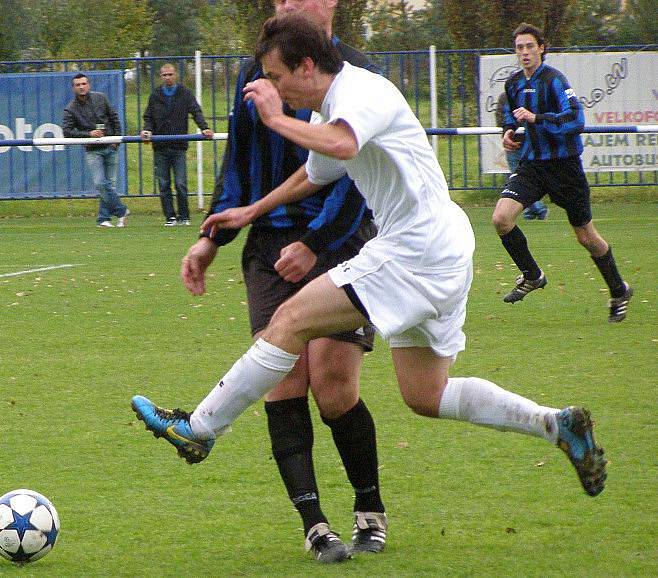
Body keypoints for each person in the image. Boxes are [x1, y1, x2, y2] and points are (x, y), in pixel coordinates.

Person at [130, 12, 607, 552]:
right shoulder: (335, 104)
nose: (274, 91)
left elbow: (340, 145)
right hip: (440, 250)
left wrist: (273, 118)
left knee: (286, 322)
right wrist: (250, 211)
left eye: (277, 79)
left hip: (413, 251)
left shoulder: (363, 91)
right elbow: (316, 171)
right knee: (426, 394)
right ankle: (555, 424)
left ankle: (200, 429)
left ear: (306, 66)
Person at [173, 0, 386, 563]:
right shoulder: (255, 74)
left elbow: (356, 175)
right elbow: (238, 164)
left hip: (342, 243)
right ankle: (316, 525)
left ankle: (370, 508)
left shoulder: (362, 76)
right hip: (268, 246)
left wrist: (315, 241)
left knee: (335, 383)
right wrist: (211, 238)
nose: (290, 4)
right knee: (284, 380)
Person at [494, 23, 632, 321]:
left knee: (586, 238)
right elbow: (510, 117)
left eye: (530, 46)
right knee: (501, 219)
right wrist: (508, 132)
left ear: (542, 47)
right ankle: (532, 275)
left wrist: (537, 118)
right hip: (533, 166)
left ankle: (619, 290)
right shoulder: (514, 84)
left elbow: (575, 120)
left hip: (565, 167)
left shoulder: (555, 81)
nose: (525, 52)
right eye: (519, 47)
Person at [141, 63, 214, 226]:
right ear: (161, 77)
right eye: (164, 75)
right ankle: (170, 217)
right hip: (160, 147)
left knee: (180, 183)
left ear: (176, 75)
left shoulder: (185, 93)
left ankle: (184, 216)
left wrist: (205, 128)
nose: (167, 77)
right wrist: (146, 130)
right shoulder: (155, 95)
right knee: (164, 184)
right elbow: (148, 117)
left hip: (179, 147)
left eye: (170, 74)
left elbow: (196, 111)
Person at [62, 73, 129, 228]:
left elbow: (114, 118)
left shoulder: (101, 98)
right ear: (73, 88)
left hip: (110, 146)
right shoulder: (70, 109)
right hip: (93, 150)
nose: (81, 87)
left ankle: (103, 218)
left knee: (109, 185)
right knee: (100, 183)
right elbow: (67, 131)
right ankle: (121, 211)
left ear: (89, 85)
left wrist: (116, 141)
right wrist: (88, 134)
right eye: (78, 85)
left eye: (84, 83)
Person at [495, 92, 547, 220]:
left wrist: (509, 129)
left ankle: (538, 208)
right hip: (517, 143)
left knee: (518, 178)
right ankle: (530, 210)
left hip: (521, 143)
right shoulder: (525, 96)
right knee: (522, 177)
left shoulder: (506, 97)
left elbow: (501, 119)